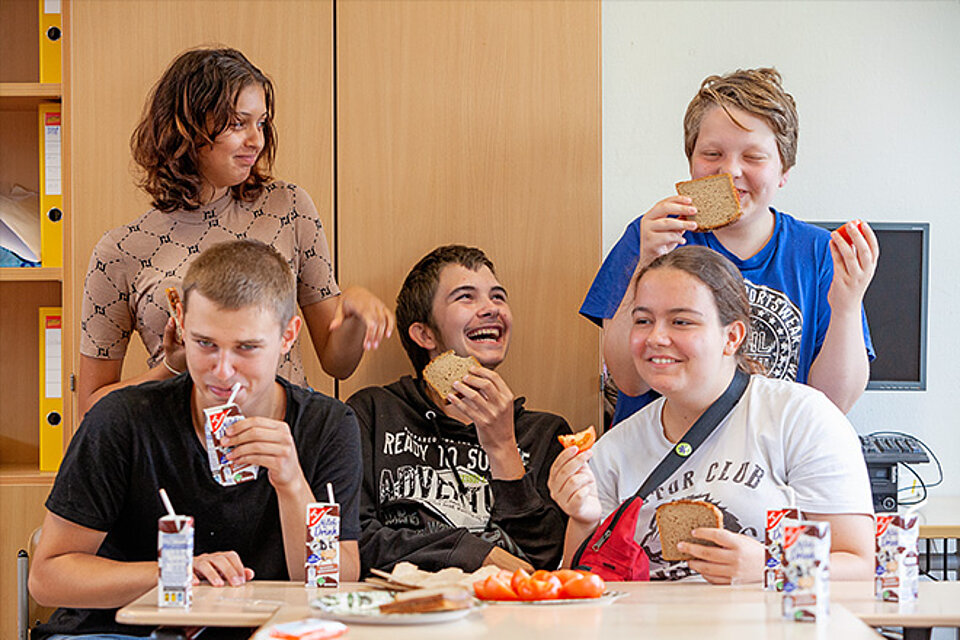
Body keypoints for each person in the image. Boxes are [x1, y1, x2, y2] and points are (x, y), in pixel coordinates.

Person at [30, 240, 362, 638]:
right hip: (117, 631)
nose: (222, 372)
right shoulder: (123, 419)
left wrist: (292, 484)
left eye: (247, 348)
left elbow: (335, 583)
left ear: (288, 336)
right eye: (205, 344)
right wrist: (172, 572)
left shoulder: (328, 426)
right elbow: (47, 578)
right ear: (182, 324)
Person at [78, 47, 393, 416]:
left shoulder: (289, 208)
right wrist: (171, 368)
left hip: (285, 443)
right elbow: (91, 408)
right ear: (185, 127)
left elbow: (338, 363)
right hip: (181, 452)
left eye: (261, 123)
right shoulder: (120, 250)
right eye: (237, 123)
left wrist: (353, 312)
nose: (256, 141)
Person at [551, 246, 874, 583]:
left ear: (731, 337)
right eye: (643, 320)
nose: (656, 337)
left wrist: (769, 566)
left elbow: (858, 565)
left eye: (681, 321)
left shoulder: (800, 417)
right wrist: (584, 519)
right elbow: (582, 583)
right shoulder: (614, 448)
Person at [580, 68, 878, 425]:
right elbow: (628, 381)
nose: (730, 171)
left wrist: (846, 305)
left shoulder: (818, 253)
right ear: (690, 161)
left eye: (753, 157)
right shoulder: (653, 236)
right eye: (712, 153)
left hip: (768, 462)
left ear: (784, 170)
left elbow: (831, 404)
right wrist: (646, 262)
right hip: (661, 461)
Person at [348, 245, 571, 575]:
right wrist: (474, 553)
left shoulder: (545, 433)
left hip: (506, 614)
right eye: (466, 297)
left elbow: (544, 561)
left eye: (498, 296)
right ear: (424, 334)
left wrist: (502, 447)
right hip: (400, 612)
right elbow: (352, 540)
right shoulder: (372, 413)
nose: (491, 309)